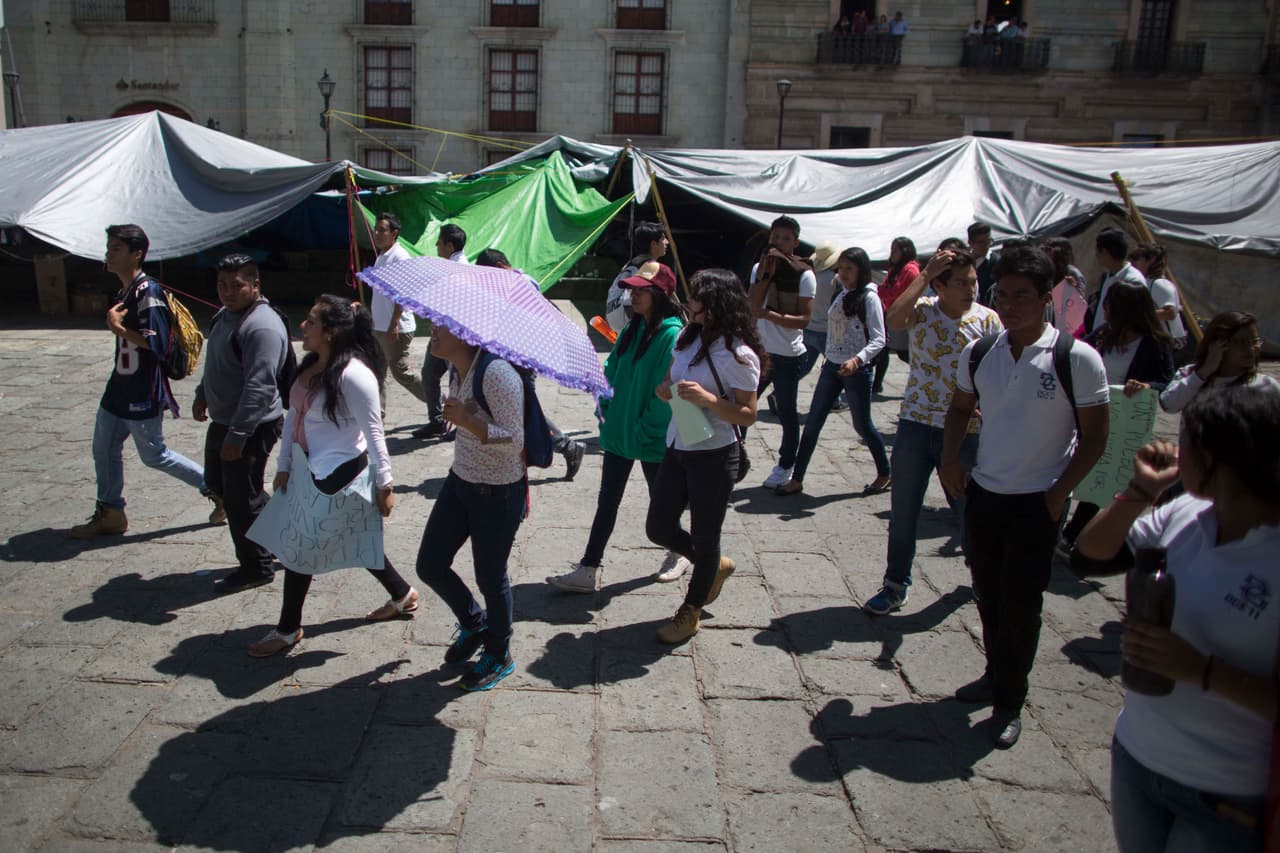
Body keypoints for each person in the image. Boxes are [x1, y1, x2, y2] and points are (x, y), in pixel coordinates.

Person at [1073, 385, 1280, 853]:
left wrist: (1199, 670)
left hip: (1224, 789)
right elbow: (1090, 553)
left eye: (1186, 441)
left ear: (1217, 459)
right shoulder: (1187, 513)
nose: (1175, 448)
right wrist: (1142, 491)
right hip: (1139, 756)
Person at [940, 246, 1110, 749]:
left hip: (1038, 501)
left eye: (1023, 296)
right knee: (988, 594)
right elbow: (959, 408)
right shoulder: (981, 351)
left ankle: (1012, 699)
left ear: (1045, 299)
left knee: (1021, 603)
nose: (1010, 305)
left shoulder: (1075, 359)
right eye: (1002, 295)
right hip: (985, 493)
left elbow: (1096, 437)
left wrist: (1060, 493)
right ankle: (996, 674)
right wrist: (950, 457)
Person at [248, 295, 418, 657]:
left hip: (338, 471)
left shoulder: (354, 375)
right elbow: (293, 415)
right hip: (307, 467)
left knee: (299, 550)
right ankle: (403, 594)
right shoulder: (309, 365)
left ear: (331, 331)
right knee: (352, 538)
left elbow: (375, 433)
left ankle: (287, 629)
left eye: (311, 321)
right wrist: (283, 466)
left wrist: (385, 486)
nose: (303, 327)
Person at [863, 247, 1003, 614]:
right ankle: (895, 584)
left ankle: (983, 576)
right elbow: (892, 320)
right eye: (959, 283)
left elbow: (1002, 372)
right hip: (915, 424)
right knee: (904, 510)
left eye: (973, 282)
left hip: (966, 431)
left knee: (969, 510)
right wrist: (923, 275)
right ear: (940, 285)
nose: (970, 290)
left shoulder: (988, 321)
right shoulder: (923, 310)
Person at [547, 262, 687, 592]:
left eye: (641, 290)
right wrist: (605, 411)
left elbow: (666, 394)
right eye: (632, 289)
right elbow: (611, 369)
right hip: (619, 434)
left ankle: (680, 552)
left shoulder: (672, 335)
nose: (633, 295)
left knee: (661, 503)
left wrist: (644, 430)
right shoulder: (631, 328)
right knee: (607, 502)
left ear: (660, 293)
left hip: (648, 437)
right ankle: (589, 567)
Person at [72, 224, 209, 540]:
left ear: (137, 254)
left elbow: (157, 343)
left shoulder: (148, 293)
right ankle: (110, 511)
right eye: (109, 248)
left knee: (154, 455)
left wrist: (118, 328)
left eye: (116, 249)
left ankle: (215, 487)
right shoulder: (126, 290)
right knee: (103, 448)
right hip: (118, 387)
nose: (109, 254)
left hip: (142, 390)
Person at [648, 269, 763, 643]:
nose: (689, 302)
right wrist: (665, 389)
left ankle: (691, 610)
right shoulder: (685, 337)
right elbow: (668, 377)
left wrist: (711, 400)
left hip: (714, 454)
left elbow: (748, 414)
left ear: (716, 304)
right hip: (678, 444)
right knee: (658, 527)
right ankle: (711, 567)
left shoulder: (738, 354)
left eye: (696, 297)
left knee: (705, 535)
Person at [415, 324, 529, 691]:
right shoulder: (457, 368)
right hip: (460, 480)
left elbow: (514, 442)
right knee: (430, 564)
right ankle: (474, 622)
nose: (432, 332)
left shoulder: (497, 374)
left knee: (491, 578)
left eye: (440, 327)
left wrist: (470, 422)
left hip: (497, 492)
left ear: (465, 334)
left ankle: (499, 654)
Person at [193, 254, 290, 595]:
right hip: (224, 420)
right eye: (222, 285)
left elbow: (260, 386)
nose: (228, 293)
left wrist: (238, 434)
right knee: (219, 483)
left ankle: (257, 567)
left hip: (252, 425)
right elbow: (215, 361)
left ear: (255, 285)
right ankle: (284, 531)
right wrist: (202, 392)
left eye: (237, 286)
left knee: (239, 499)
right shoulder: (224, 315)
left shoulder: (261, 325)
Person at [1059, 283, 1176, 551]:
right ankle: (1064, 527)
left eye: (1110, 305)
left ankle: (1075, 532)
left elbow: (1166, 382)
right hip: (1087, 411)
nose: (1105, 310)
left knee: (1103, 474)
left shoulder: (1153, 343)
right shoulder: (1104, 335)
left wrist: (1147, 387)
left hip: (1122, 420)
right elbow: (1075, 352)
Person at [776, 247, 891, 497]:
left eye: (850, 268)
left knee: (862, 425)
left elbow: (879, 339)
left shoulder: (869, 297)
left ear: (861, 270)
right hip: (832, 366)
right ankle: (797, 479)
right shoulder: (841, 291)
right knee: (813, 423)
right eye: (842, 268)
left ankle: (884, 472)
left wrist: (857, 361)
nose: (844, 273)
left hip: (856, 371)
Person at [474, 247, 585, 479]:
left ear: (501, 267)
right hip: (508, 355)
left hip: (522, 357)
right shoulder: (506, 285)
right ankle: (562, 447)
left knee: (525, 410)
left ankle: (565, 447)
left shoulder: (523, 284)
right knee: (522, 409)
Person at [747, 215, 815, 489]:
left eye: (786, 238)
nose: (779, 243)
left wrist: (769, 315)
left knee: (787, 413)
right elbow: (751, 305)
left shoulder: (804, 274)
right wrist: (767, 273)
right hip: (759, 351)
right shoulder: (758, 268)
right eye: (775, 237)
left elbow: (804, 320)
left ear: (796, 242)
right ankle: (734, 458)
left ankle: (786, 465)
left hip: (788, 354)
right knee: (743, 405)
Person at [1160, 311, 1279, 412]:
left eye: (1254, 341)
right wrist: (1203, 372)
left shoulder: (1265, 385)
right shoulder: (1190, 374)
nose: (1251, 349)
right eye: (1240, 342)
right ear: (1217, 345)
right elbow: (1169, 405)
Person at [414, 222, 469, 440]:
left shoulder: (458, 270)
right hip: (441, 334)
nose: (436, 244)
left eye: (439, 241)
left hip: (453, 336)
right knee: (429, 373)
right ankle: (436, 420)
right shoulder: (449, 266)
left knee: (457, 381)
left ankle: (460, 425)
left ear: (448, 245)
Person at [369, 213, 427, 419]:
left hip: (395, 326)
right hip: (379, 324)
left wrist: (394, 323)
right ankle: (377, 414)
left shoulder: (399, 256)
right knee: (377, 371)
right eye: (376, 229)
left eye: (382, 230)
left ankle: (437, 402)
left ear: (394, 233)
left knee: (401, 372)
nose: (377, 233)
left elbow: (402, 294)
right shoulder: (382, 256)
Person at [872, 236, 919, 394]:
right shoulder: (895, 268)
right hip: (889, 313)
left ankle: (922, 369)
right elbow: (886, 287)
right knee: (883, 349)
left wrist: (882, 292)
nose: (891, 253)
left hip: (901, 315)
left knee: (902, 352)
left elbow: (900, 292)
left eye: (895, 250)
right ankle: (876, 384)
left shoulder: (910, 270)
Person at [605, 221, 670, 336]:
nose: (667, 242)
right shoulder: (649, 268)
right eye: (663, 238)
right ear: (653, 244)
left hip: (614, 318)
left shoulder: (633, 262)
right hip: (630, 322)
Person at [1127, 243, 1187, 353]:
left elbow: (1170, 313)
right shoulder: (1145, 282)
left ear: (1150, 260)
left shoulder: (1160, 283)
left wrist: (1136, 317)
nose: (1131, 262)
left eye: (1136, 258)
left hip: (1166, 346)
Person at [1089, 227, 1147, 333]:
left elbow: (1135, 319)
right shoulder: (1107, 275)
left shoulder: (1132, 280)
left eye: (1097, 250)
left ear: (1105, 252)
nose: (1096, 255)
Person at [1043, 236, 1087, 335]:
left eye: (1048, 249)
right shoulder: (1049, 271)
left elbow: (1080, 301)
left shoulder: (1072, 272)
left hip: (1070, 323)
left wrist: (1073, 288)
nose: (1045, 252)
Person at [969, 222, 998, 307]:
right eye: (981, 242)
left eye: (988, 241)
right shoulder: (964, 261)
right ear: (970, 243)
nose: (986, 246)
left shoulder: (996, 262)